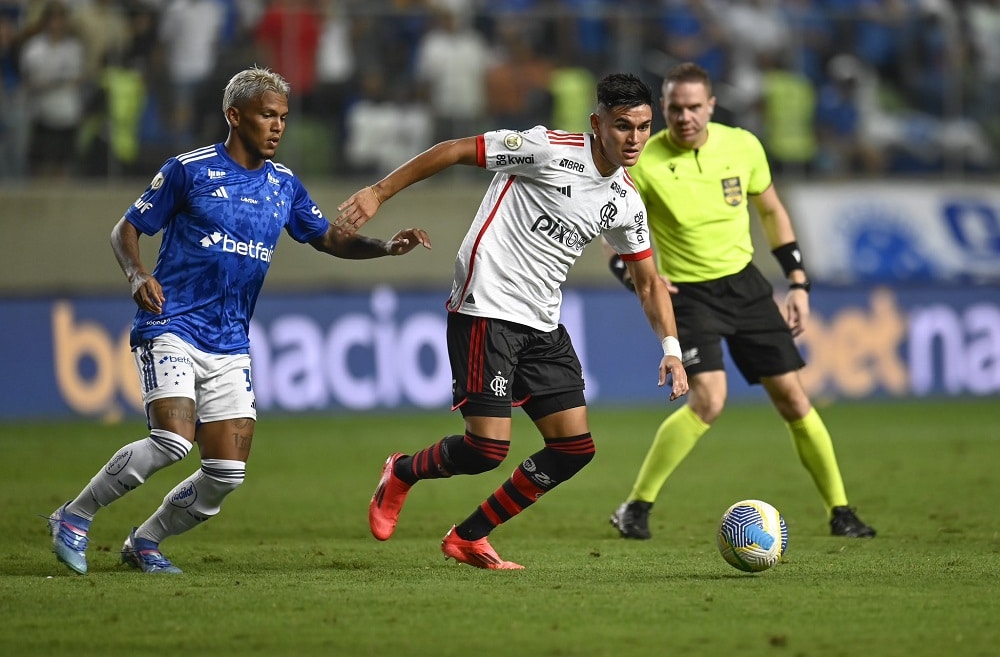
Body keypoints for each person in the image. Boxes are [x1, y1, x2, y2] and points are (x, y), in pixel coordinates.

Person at [47, 67, 431, 575]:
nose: (278, 127)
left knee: (226, 473)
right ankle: (74, 516)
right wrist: (137, 275)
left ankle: (145, 542)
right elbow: (126, 229)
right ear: (234, 115)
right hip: (173, 323)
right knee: (172, 441)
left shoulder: (283, 185)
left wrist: (384, 247)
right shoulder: (189, 170)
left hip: (230, 342)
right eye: (267, 115)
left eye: (283, 118)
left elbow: (327, 238)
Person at [335, 73, 689, 570]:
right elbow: (455, 148)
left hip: (543, 322)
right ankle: (401, 472)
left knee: (572, 448)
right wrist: (378, 192)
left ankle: (468, 536)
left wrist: (671, 349)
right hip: (487, 306)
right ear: (597, 123)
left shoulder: (626, 201)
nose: (634, 139)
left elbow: (650, 282)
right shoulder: (546, 149)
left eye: (643, 127)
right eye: (622, 126)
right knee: (486, 448)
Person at [606, 62, 876, 541]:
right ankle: (636, 506)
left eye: (693, 107)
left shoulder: (743, 146)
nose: (684, 117)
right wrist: (635, 279)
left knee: (794, 399)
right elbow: (612, 231)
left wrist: (797, 280)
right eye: (674, 108)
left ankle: (841, 511)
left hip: (746, 287)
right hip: (688, 295)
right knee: (708, 401)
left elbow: (771, 210)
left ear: (711, 106)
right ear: (664, 109)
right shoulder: (643, 162)